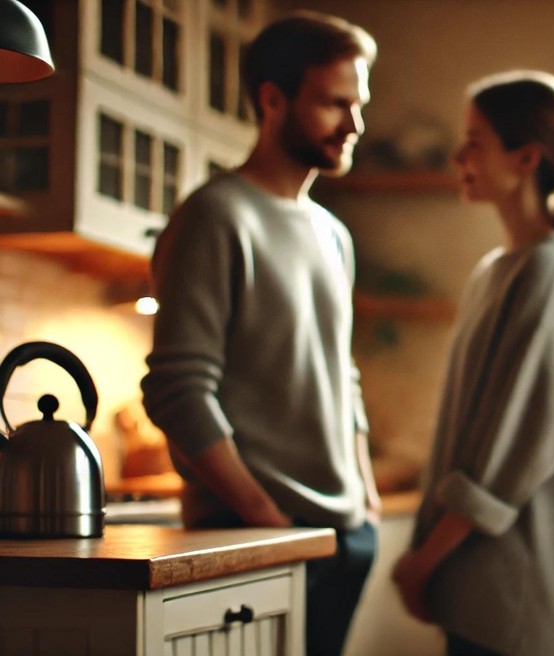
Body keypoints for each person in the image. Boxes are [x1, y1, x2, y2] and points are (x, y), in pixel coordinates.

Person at [141, 12, 379, 656]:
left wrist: (364, 491)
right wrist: (263, 517)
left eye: (358, 104)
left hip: (345, 531)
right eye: (335, 104)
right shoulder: (213, 216)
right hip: (256, 534)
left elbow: (340, 370)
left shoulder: (333, 233)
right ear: (273, 100)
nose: (354, 125)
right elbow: (177, 389)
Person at [391, 70, 554, 656]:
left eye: (475, 140)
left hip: (518, 598)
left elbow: (517, 448)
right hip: (481, 587)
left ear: (525, 157)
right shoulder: (500, 269)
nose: (458, 155)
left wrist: (423, 561)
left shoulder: (552, 267)